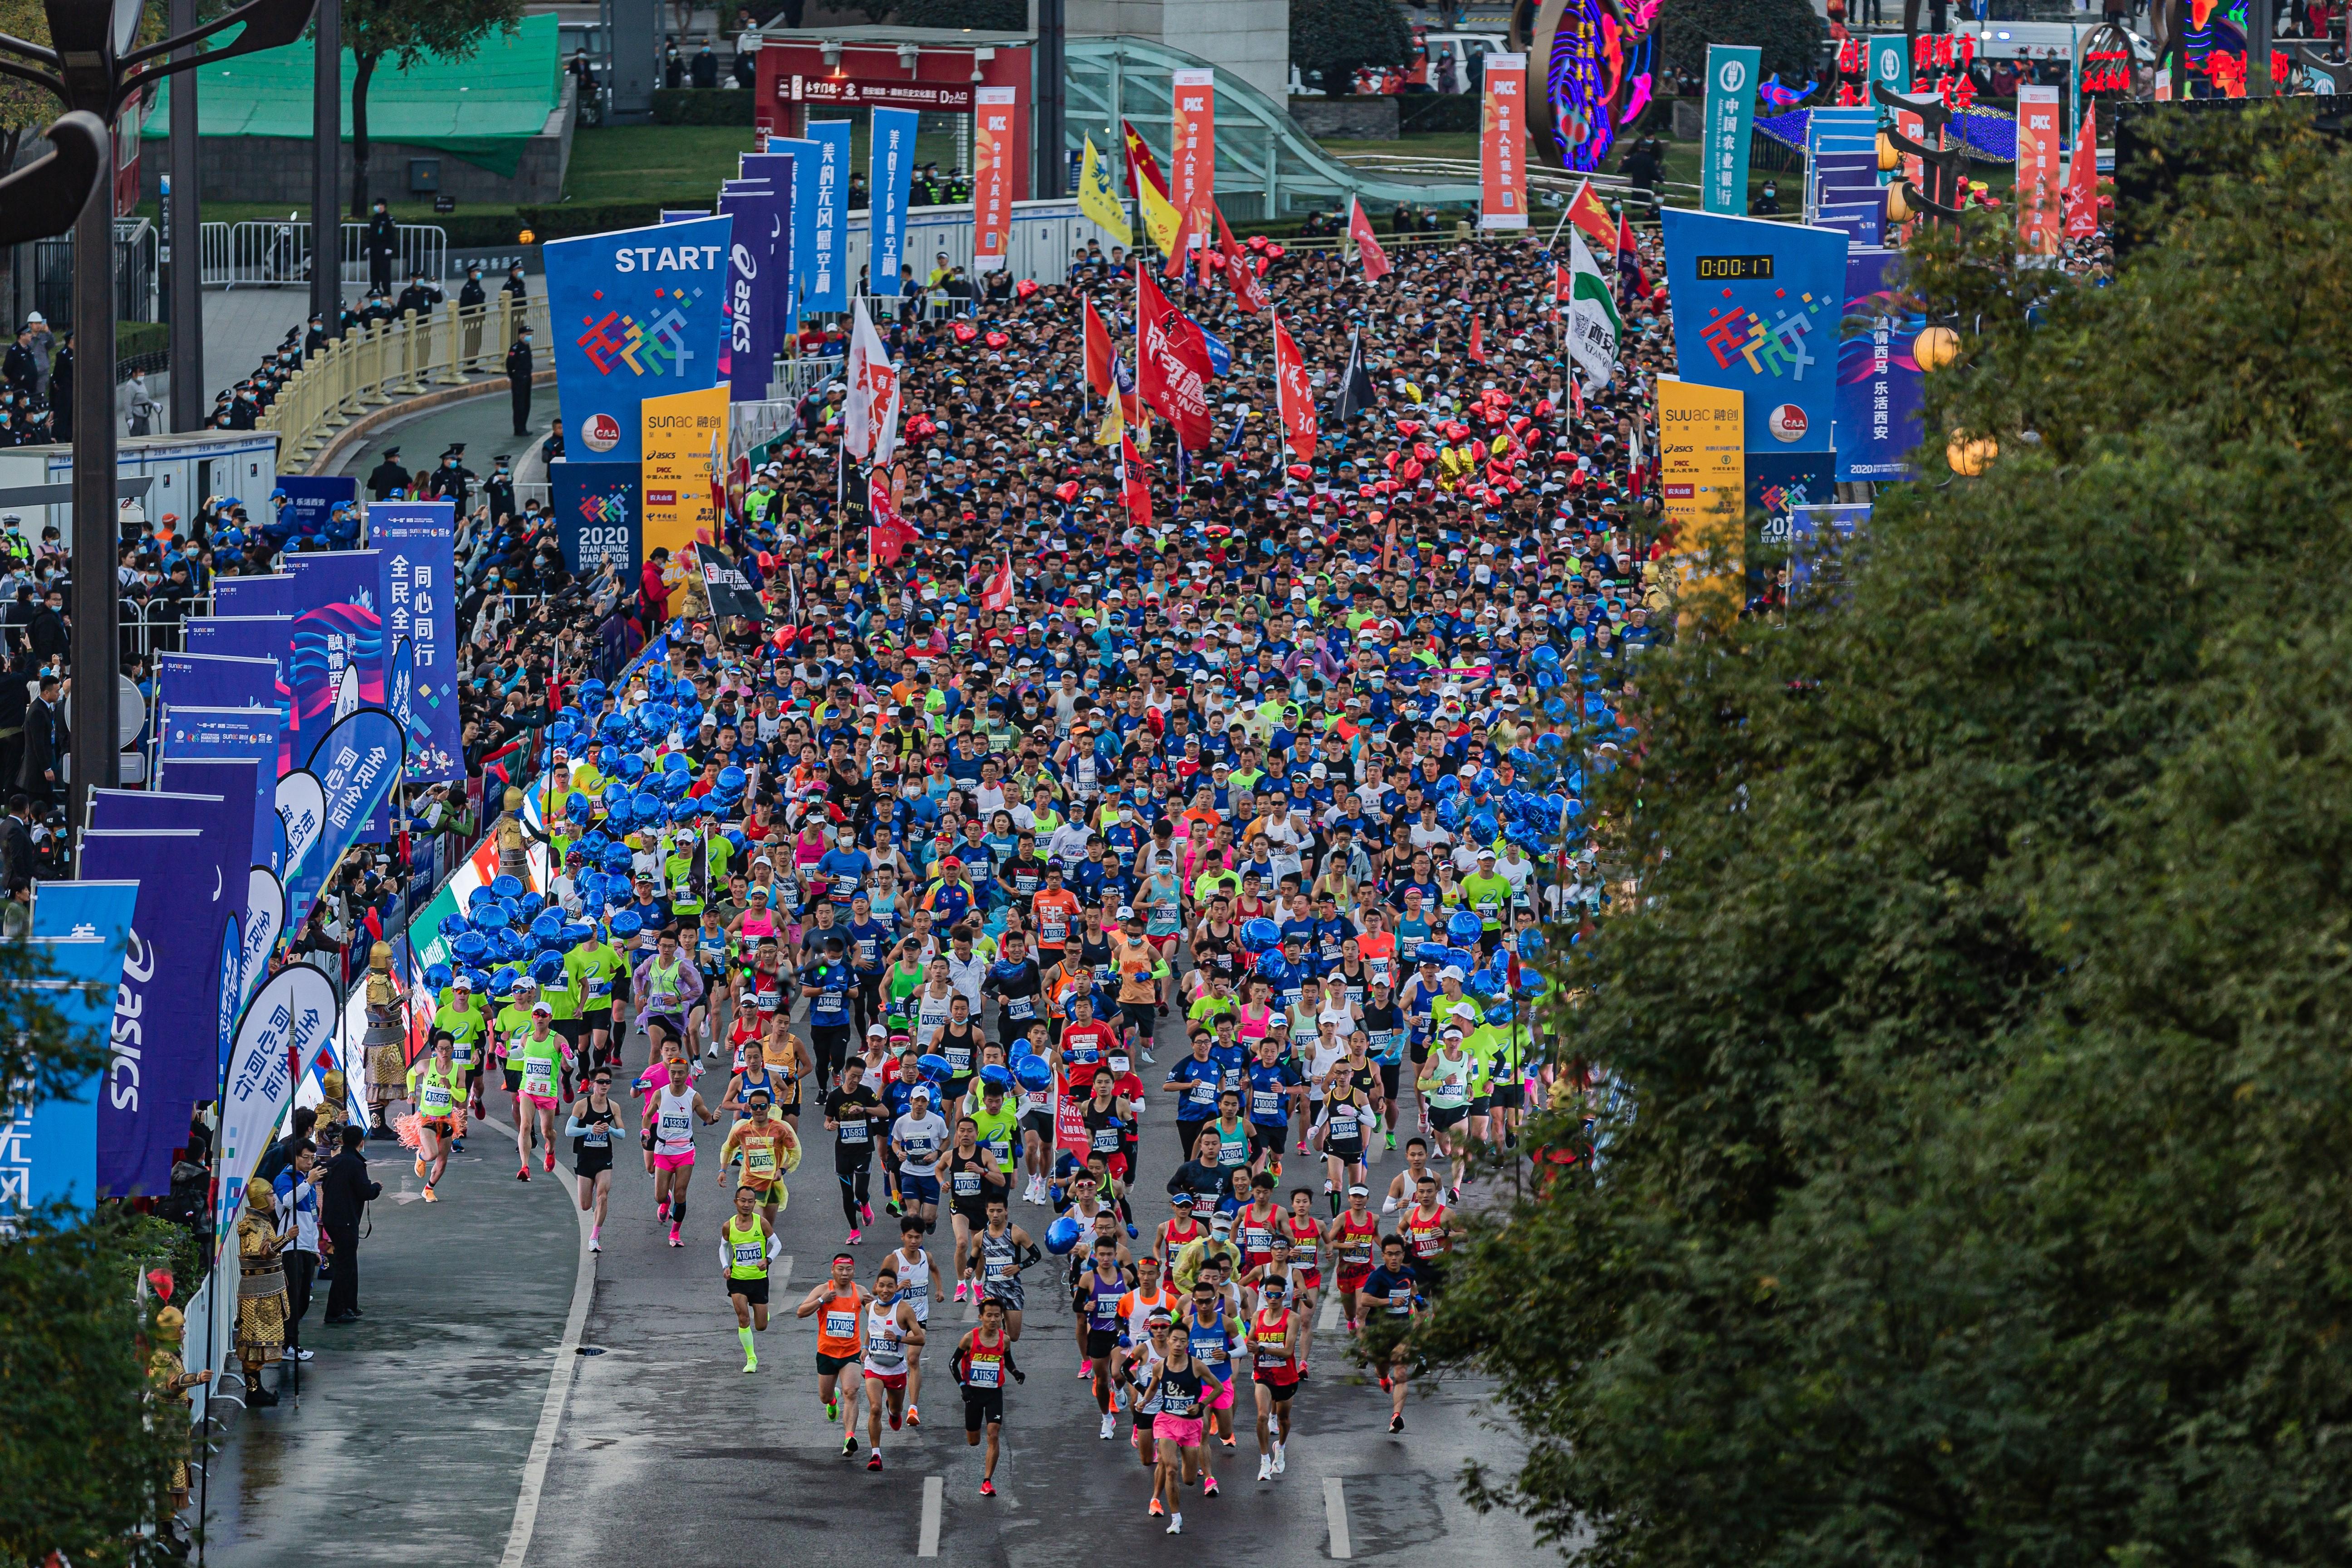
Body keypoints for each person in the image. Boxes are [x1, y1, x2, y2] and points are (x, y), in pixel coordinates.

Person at [951, 1294, 1024, 1495]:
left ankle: (987, 1481)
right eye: (989, 1316)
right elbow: (952, 1364)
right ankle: (976, 1441)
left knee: (994, 1433)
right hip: (973, 1394)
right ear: (981, 1317)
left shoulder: (1005, 1340)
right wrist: (963, 1387)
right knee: (974, 1441)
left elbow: (1008, 1361)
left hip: (994, 1394)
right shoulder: (970, 1338)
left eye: (997, 1316)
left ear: (1002, 1318)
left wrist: (1016, 1373)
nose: (993, 1320)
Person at [857, 1259, 925, 1469]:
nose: (885, 1291)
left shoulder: (904, 1310)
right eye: (882, 1286)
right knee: (874, 1409)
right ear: (876, 1287)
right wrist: (866, 1348)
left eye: (890, 1286)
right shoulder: (870, 1307)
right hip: (874, 1367)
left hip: (896, 1369)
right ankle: (876, 1455)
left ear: (896, 1288)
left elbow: (920, 1338)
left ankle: (894, 1411)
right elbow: (871, 1328)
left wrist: (898, 1339)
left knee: (895, 1409)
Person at [647, 1051, 719, 1245]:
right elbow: (648, 1116)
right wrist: (645, 1133)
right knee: (660, 1196)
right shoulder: (660, 1094)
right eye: (673, 1073)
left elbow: (707, 1117)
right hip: (663, 1150)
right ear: (669, 1073)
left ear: (687, 1075)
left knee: (681, 1193)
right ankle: (666, 1201)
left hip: (685, 1152)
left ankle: (675, 1233)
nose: (677, 1076)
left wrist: (714, 1118)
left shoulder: (693, 1097)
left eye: (681, 1073)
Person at [797, 1252, 868, 1426]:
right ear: (833, 1270)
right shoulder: (823, 1290)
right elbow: (801, 1312)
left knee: (851, 1393)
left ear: (854, 1271)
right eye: (841, 1269)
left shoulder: (859, 1291)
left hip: (851, 1353)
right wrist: (822, 1300)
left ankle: (850, 1438)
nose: (845, 1273)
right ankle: (832, 1401)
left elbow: (877, 1317)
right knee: (825, 1397)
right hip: (827, 1353)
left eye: (849, 1269)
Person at [1362, 1234, 1424, 1431]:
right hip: (1379, 1330)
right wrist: (1388, 1302)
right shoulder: (1378, 1276)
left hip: (1402, 1329)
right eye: (1390, 1254)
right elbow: (1365, 1300)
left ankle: (1396, 1417)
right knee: (1382, 1367)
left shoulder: (1409, 1273)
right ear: (1384, 1256)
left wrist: (1419, 1299)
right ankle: (1382, 1377)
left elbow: (1413, 1288)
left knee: (1402, 1372)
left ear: (1403, 1254)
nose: (1394, 1258)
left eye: (1398, 1254)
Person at [319, 1124, 379, 1324]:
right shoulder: (354, 1164)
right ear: (361, 1143)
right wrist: (376, 1188)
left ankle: (349, 1305)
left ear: (343, 1141)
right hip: (345, 1221)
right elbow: (366, 1192)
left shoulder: (334, 1162)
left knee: (348, 1263)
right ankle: (335, 1311)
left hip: (333, 1219)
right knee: (346, 1266)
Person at [721, 1182, 782, 1372]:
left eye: (750, 1202)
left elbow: (777, 1244)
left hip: (758, 1280)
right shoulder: (728, 1226)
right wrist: (725, 1266)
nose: (746, 1205)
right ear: (736, 1202)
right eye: (743, 1201)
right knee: (743, 1320)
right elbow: (723, 1247)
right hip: (738, 1280)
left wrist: (768, 1260)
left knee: (761, 1326)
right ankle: (751, 1359)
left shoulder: (761, 1223)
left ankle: (763, 1314)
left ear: (755, 1203)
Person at [566, 1064, 619, 1250]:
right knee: (585, 1204)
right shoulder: (582, 1106)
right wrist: (590, 1129)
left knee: (603, 1196)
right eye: (601, 1082)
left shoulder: (613, 1107)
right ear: (592, 1085)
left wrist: (610, 1129)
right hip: (585, 1158)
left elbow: (622, 1133)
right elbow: (568, 1131)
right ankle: (594, 1225)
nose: (605, 1085)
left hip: (604, 1157)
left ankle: (595, 1237)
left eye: (608, 1082)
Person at [506, 324, 535, 437]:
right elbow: (510, 363)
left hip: (527, 377)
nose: (529, 337)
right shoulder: (516, 348)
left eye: (530, 335)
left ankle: (523, 427)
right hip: (519, 378)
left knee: (526, 403)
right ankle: (519, 429)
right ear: (521, 335)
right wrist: (511, 375)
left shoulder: (527, 347)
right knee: (519, 404)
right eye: (528, 335)